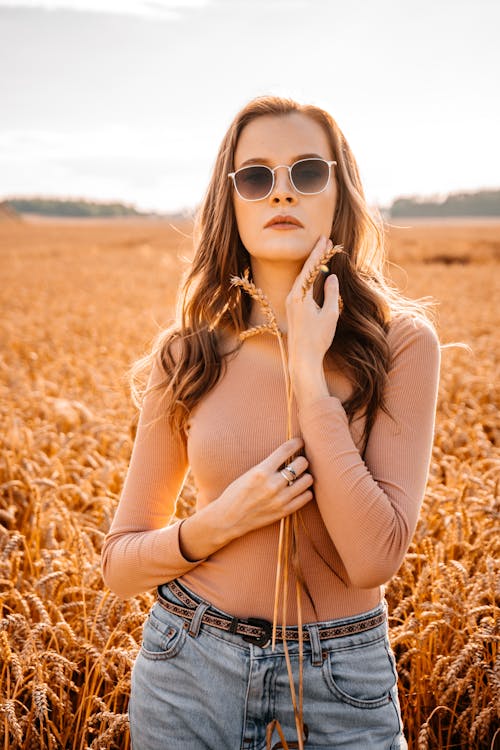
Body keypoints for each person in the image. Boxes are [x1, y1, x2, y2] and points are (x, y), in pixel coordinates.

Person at [101, 95, 440, 750]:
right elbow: (120, 564)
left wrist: (310, 376)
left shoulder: (401, 343)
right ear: (232, 201)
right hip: (189, 664)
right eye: (255, 176)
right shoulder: (190, 351)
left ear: (339, 191)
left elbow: (374, 558)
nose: (280, 190)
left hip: (342, 680)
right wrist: (220, 522)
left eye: (306, 171)